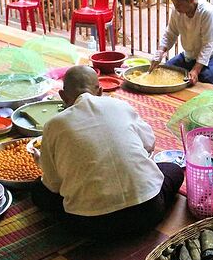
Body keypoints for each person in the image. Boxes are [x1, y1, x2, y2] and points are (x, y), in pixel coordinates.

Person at [31, 66, 184, 237]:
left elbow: (53, 184)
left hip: (90, 226)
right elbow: (149, 144)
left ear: (62, 96)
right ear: (101, 91)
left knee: (39, 190)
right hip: (149, 212)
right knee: (173, 170)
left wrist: (41, 162)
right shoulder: (120, 105)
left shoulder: (54, 124)